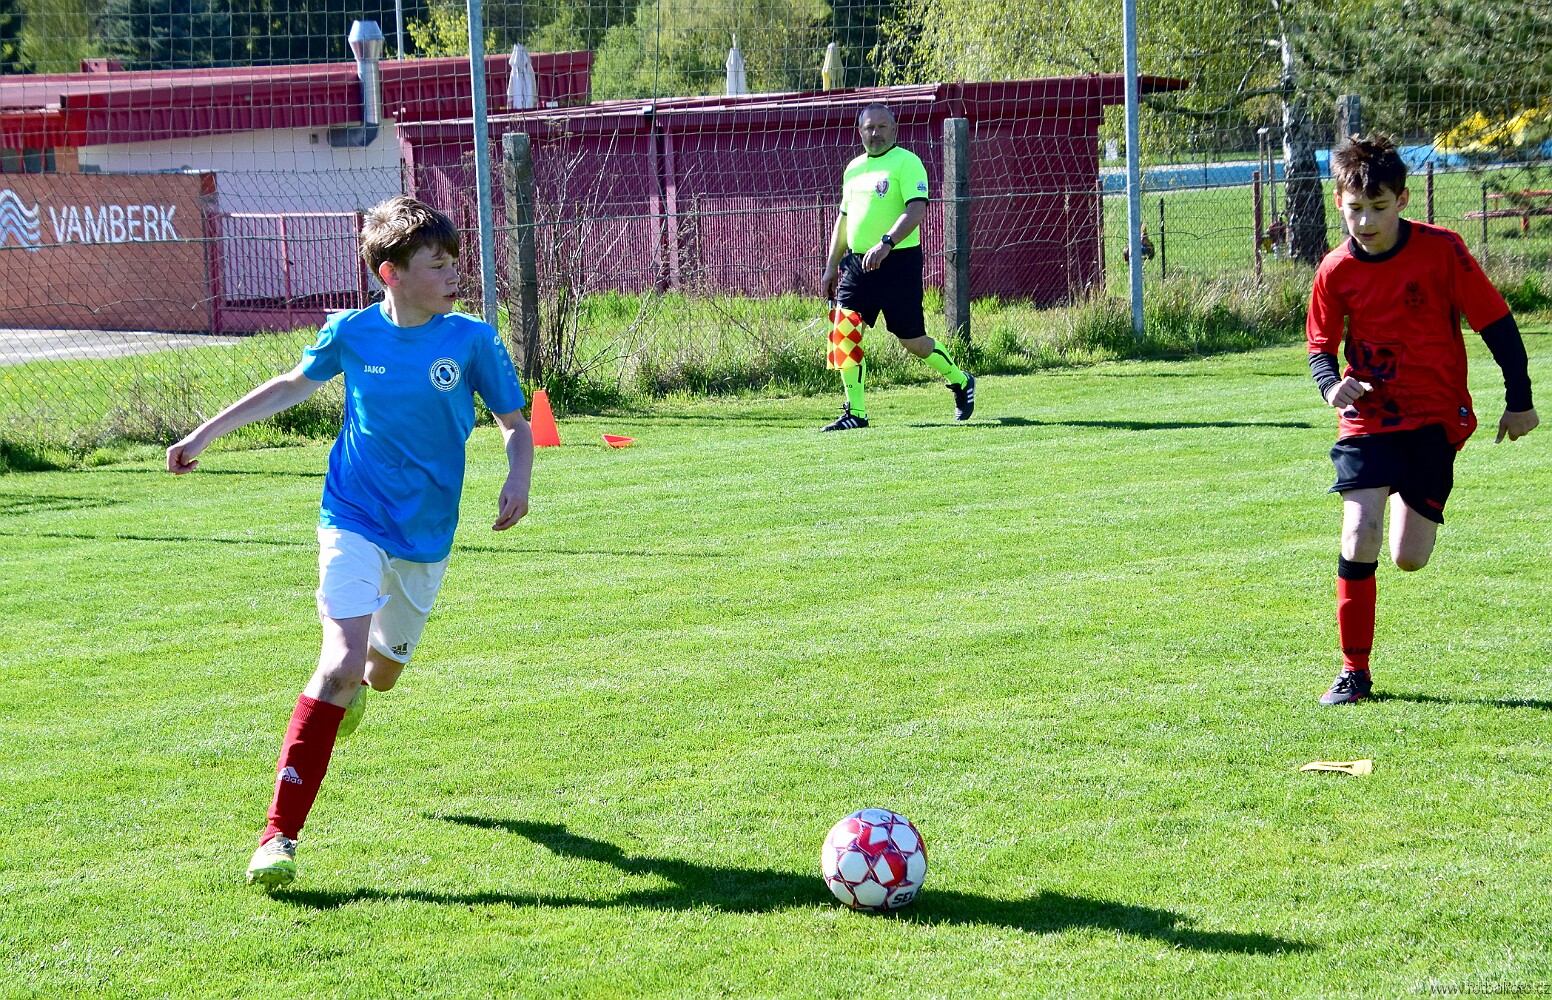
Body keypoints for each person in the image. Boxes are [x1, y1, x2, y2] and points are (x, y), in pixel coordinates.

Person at [166, 196, 534, 884]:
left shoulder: (472, 340)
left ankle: (358, 686)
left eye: (454, 261)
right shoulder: (352, 332)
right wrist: (203, 435)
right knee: (337, 664)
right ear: (391, 273)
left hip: (426, 536)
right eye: (436, 264)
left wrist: (518, 477)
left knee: (380, 675)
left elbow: (515, 424)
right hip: (353, 517)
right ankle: (278, 837)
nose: (453, 274)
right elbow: (289, 387)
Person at [1306, 134, 1537, 705]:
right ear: (1338, 203)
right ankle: (1353, 671)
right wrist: (1333, 387)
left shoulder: (1442, 251)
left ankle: (1405, 500)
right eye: (1355, 208)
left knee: (1408, 557)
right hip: (1368, 419)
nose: (1365, 221)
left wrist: (1520, 400)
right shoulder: (1334, 269)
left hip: (1434, 418)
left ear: (1403, 199)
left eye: (1378, 207)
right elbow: (1320, 348)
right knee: (1359, 532)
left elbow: (1497, 324)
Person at [818, 103, 975, 431]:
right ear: (860, 131)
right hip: (858, 265)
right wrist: (831, 267)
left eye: (881, 127)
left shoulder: (908, 162)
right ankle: (856, 412)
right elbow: (843, 221)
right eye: (869, 128)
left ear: (894, 129)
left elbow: (916, 210)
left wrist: (886, 243)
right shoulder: (853, 169)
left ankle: (960, 380)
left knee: (912, 341)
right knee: (843, 332)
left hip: (898, 263)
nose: (875, 133)